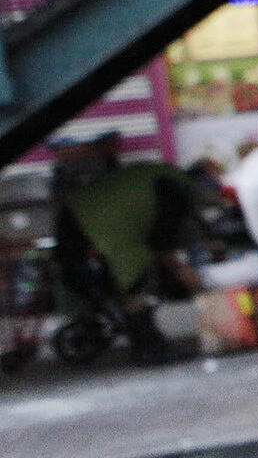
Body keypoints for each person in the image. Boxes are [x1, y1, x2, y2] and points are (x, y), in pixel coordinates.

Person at [53, 132, 202, 364]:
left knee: (114, 279)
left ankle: (105, 324)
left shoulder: (164, 174)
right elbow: (162, 238)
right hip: (99, 227)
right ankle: (150, 349)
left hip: (79, 217)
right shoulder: (176, 190)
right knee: (135, 282)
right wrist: (180, 269)